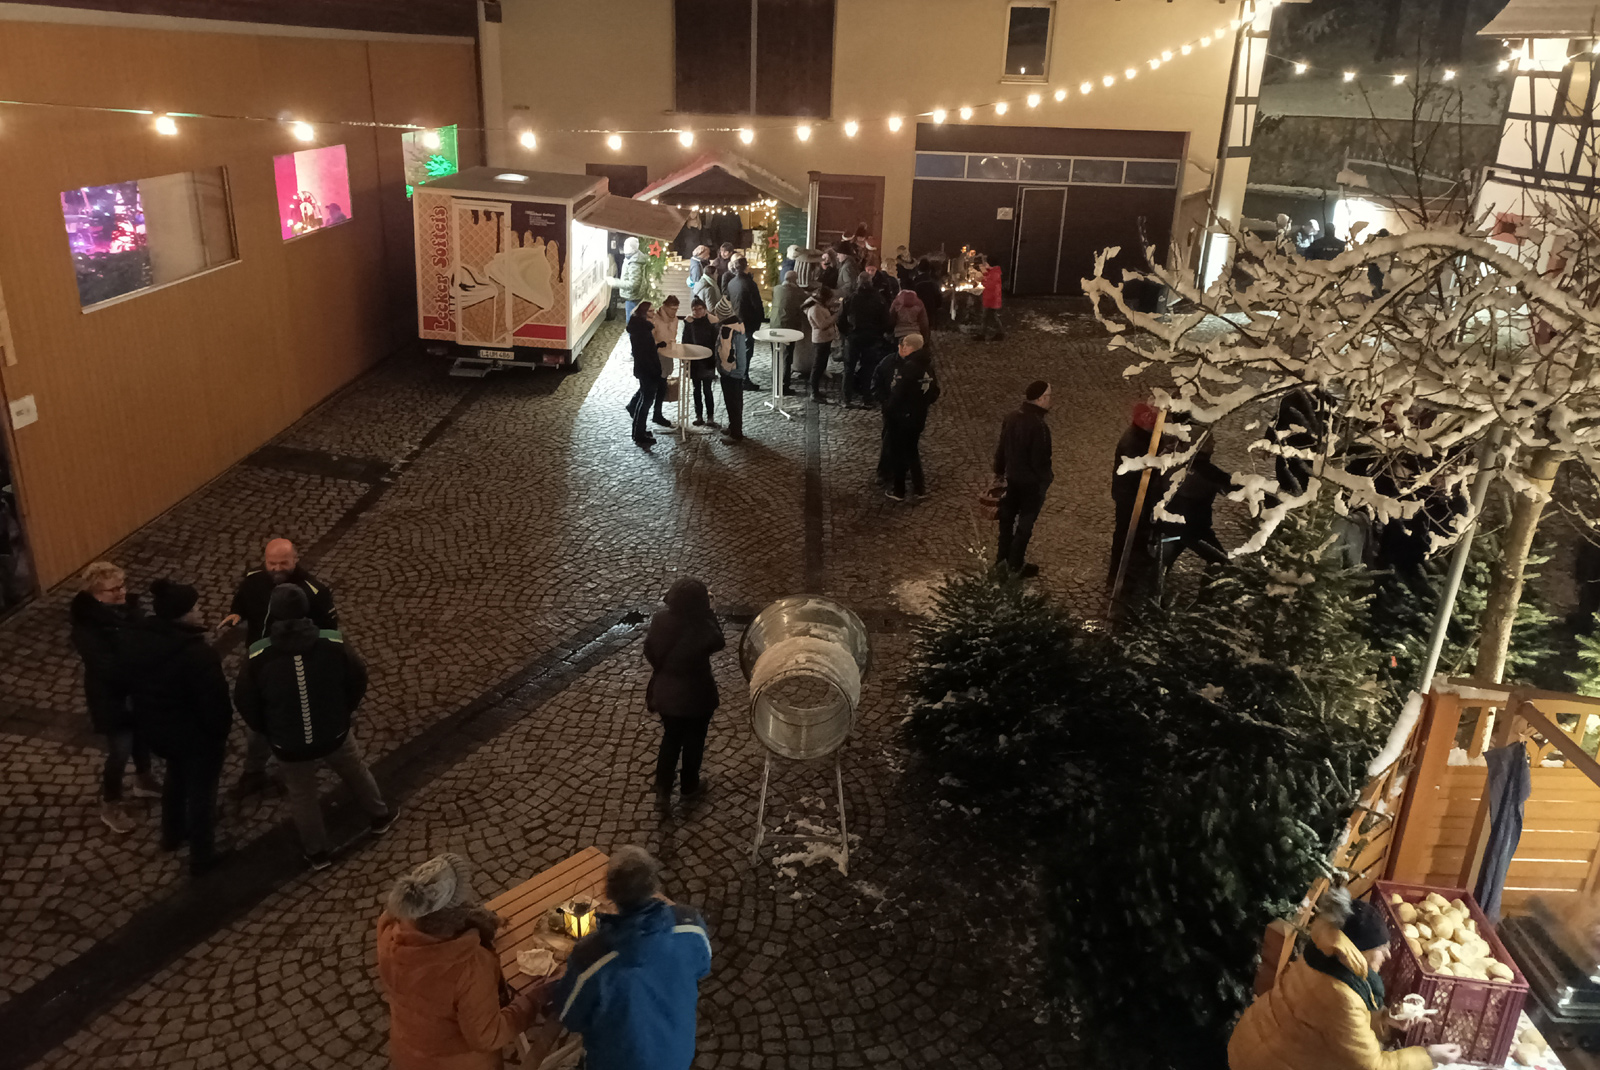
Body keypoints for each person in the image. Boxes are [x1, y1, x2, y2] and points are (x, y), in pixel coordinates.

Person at [234, 585, 393, 869]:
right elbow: (357, 677)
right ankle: (379, 816)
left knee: (302, 794)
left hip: (288, 742)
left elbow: (245, 699)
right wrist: (344, 710)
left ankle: (317, 852)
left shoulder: (258, 655)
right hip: (334, 731)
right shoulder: (333, 642)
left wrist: (268, 728)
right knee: (355, 771)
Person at [1229, 887, 1459, 1070]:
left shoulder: (1320, 959)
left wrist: (1384, 1020)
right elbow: (1373, 1066)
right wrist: (1428, 1056)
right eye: (1381, 948)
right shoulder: (1341, 995)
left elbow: (1335, 1030)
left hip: (1249, 1048)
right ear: (1360, 951)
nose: (1388, 955)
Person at [549, 846, 712, 1070]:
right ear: (654, 883)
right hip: (677, 1056)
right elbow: (702, 965)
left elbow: (569, 1016)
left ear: (609, 892)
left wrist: (556, 983)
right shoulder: (690, 924)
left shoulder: (591, 957)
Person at [377, 853, 544, 1070]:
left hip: (407, 1056)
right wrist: (531, 1001)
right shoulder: (467, 967)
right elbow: (488, 1036)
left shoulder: (389, 931)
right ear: (455, 909)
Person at [119, 579, 232, 877]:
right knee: (201, 792)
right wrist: (219, 733)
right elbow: (214, 702)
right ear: (182, 614)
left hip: (158, 729)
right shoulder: (197, 654)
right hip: (195, 735)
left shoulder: (141, 640)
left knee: (175, 777)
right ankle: (202, 855)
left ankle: (171, 833)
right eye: (195, 607)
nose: (200, 610)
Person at [222, 538, 338, 798]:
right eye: (271, 563)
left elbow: (329, 632)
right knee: (260, 724)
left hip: (295, 664)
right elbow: (242, 599)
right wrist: (237, 612)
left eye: (283, 563)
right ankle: (254, 771)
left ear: (295, 559)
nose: (276, 568)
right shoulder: (254, 579)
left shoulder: (314, 591)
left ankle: (303, 760)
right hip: (259, 659)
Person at [71, 561, 160, 833]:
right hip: (112, 698)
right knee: (120, 750)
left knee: (142, 736)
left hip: (136, 689)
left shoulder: (128, 611)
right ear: (96, 594)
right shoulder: (87, 627)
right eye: (114, 589)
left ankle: (144, 779)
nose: (122, 592)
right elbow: (105, 666)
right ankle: (110, 804)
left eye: (122, 585)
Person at [644, 578, 725, 808]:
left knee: (671, 738)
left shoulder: (660, 619)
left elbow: (649, 649)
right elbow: (718, 641)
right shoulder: (702, 626)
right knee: (694, 741)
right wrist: (710, 614)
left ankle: (662, 790)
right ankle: (689, 786)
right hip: (697, 695)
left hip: (666, 693)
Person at [993, 381, 1054, 576]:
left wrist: (999, 472)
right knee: (1024, 526)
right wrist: (1046, 480)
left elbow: (1002, 448)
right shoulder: (1039, 426)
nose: (1050, 401)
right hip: (1030, 486)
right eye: (1048, 396)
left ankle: (1001, 561)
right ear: (1041, 399)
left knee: (1006, 522)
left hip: (1011, 480)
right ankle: (1015, 564)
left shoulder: (1011, 418)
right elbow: (1041, 460)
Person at [1109, 403, 1169, 588]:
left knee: (1137, 530)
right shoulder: (1134, 443)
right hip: (1130, 496)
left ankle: (1137, 558)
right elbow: (1137, 472)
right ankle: (1119, 574)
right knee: (1125, 533)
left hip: (1137, 494)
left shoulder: (1142, 436)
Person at [883, 334, 939, 502]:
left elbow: (898, 394)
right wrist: (922, 403)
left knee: (899, 453)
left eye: (906, 345)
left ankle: (899, 490)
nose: (903, 347)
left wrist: (888, 409)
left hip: (902, 418)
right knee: (912, 451)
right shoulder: (928, 367)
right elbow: (935, 392)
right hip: (919, 416)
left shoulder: (908, 367)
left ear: (912, 347)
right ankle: (919, 488)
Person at [840, 274, 890, 407]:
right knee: (868, 368)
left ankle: (846, 398)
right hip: (872, 338)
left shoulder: (850, 299)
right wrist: (879, 333)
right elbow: (886, 320)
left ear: (858, 282)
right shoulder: (879, 299)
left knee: (849, 368)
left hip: (853, 337)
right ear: (871, 282)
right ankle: (867, 398)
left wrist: (847, 333)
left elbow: (841, 319)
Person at [629, 300, 667, 448]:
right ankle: (639, 435)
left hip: (643, 370)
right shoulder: (643, 330)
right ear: (644, 313)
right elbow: (644, 354)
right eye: (651, 311)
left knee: (643, 401)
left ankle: (639, 431)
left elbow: (644, 350)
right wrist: (655, 371)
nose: (654, 314)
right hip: (648, 371)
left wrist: (656, 346)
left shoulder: (639, 327)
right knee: (645, 403)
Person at [725, 256, 765, 390]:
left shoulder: (732, 283)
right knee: (747, 351)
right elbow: (756, 304)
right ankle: (744, 378)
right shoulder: (749, 283)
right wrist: (760, 320)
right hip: (748, 321)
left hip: (736, 320)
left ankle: (738, 375)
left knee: (738, 349)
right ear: (746, 267)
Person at [712, 296, 746, 444]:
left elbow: (726, 353)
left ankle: (736, 434)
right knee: (737, 401)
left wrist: (723, 368)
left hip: (731, 371)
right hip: (738, 370)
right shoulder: (738, 324)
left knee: (732, 402)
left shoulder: (727, 330)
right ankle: (734, 427)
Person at [682, 297, 719, 427]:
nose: (697, 312)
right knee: (696, 390)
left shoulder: (711, 323)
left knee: (707, 390)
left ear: (704, 309)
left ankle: (710, 417)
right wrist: (685, 358)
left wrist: (714, 359)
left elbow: (715, 342)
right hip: (694, 362)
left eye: (699, 309)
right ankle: (699, 416)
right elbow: (685, 341)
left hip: (708, 361)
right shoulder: (689, 323)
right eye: (694, 309)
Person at [769, 269, 806, 394]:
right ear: (795, 280)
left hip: (774, 325)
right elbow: (806, 300)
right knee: (786, 356)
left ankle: (775, 380)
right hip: (788, 327)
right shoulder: (798, 292)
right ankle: (784, 385)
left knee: (776, 354)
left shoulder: (776, 289)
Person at [804, 285, 839, 403]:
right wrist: (835, 316)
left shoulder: (820, 306)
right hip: (820, 340)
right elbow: (822, 324)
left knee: (822, 365)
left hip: (825, 339)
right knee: (817, 366)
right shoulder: (815, 309)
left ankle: (817, 391)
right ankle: (814, 392)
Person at [617, 237, 650, 322]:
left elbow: (634, 284)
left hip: (633, 296)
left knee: (632, 320)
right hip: (633, 296)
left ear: (633, 248)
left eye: (627, 246)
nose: (625, 247)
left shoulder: (634, 262)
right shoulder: (631, 258)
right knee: (634, 318)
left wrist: (616, 283)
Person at [979, 256, 1004, 341]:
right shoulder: (993, 271)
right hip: (990, 298)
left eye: (986, 263)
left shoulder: (994, 273)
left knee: (989, 317)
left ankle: (999, 333)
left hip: (991, 299)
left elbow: (989, 284)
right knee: (989, 317)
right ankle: (984, 334)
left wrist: (983, 279)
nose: (985, 264)